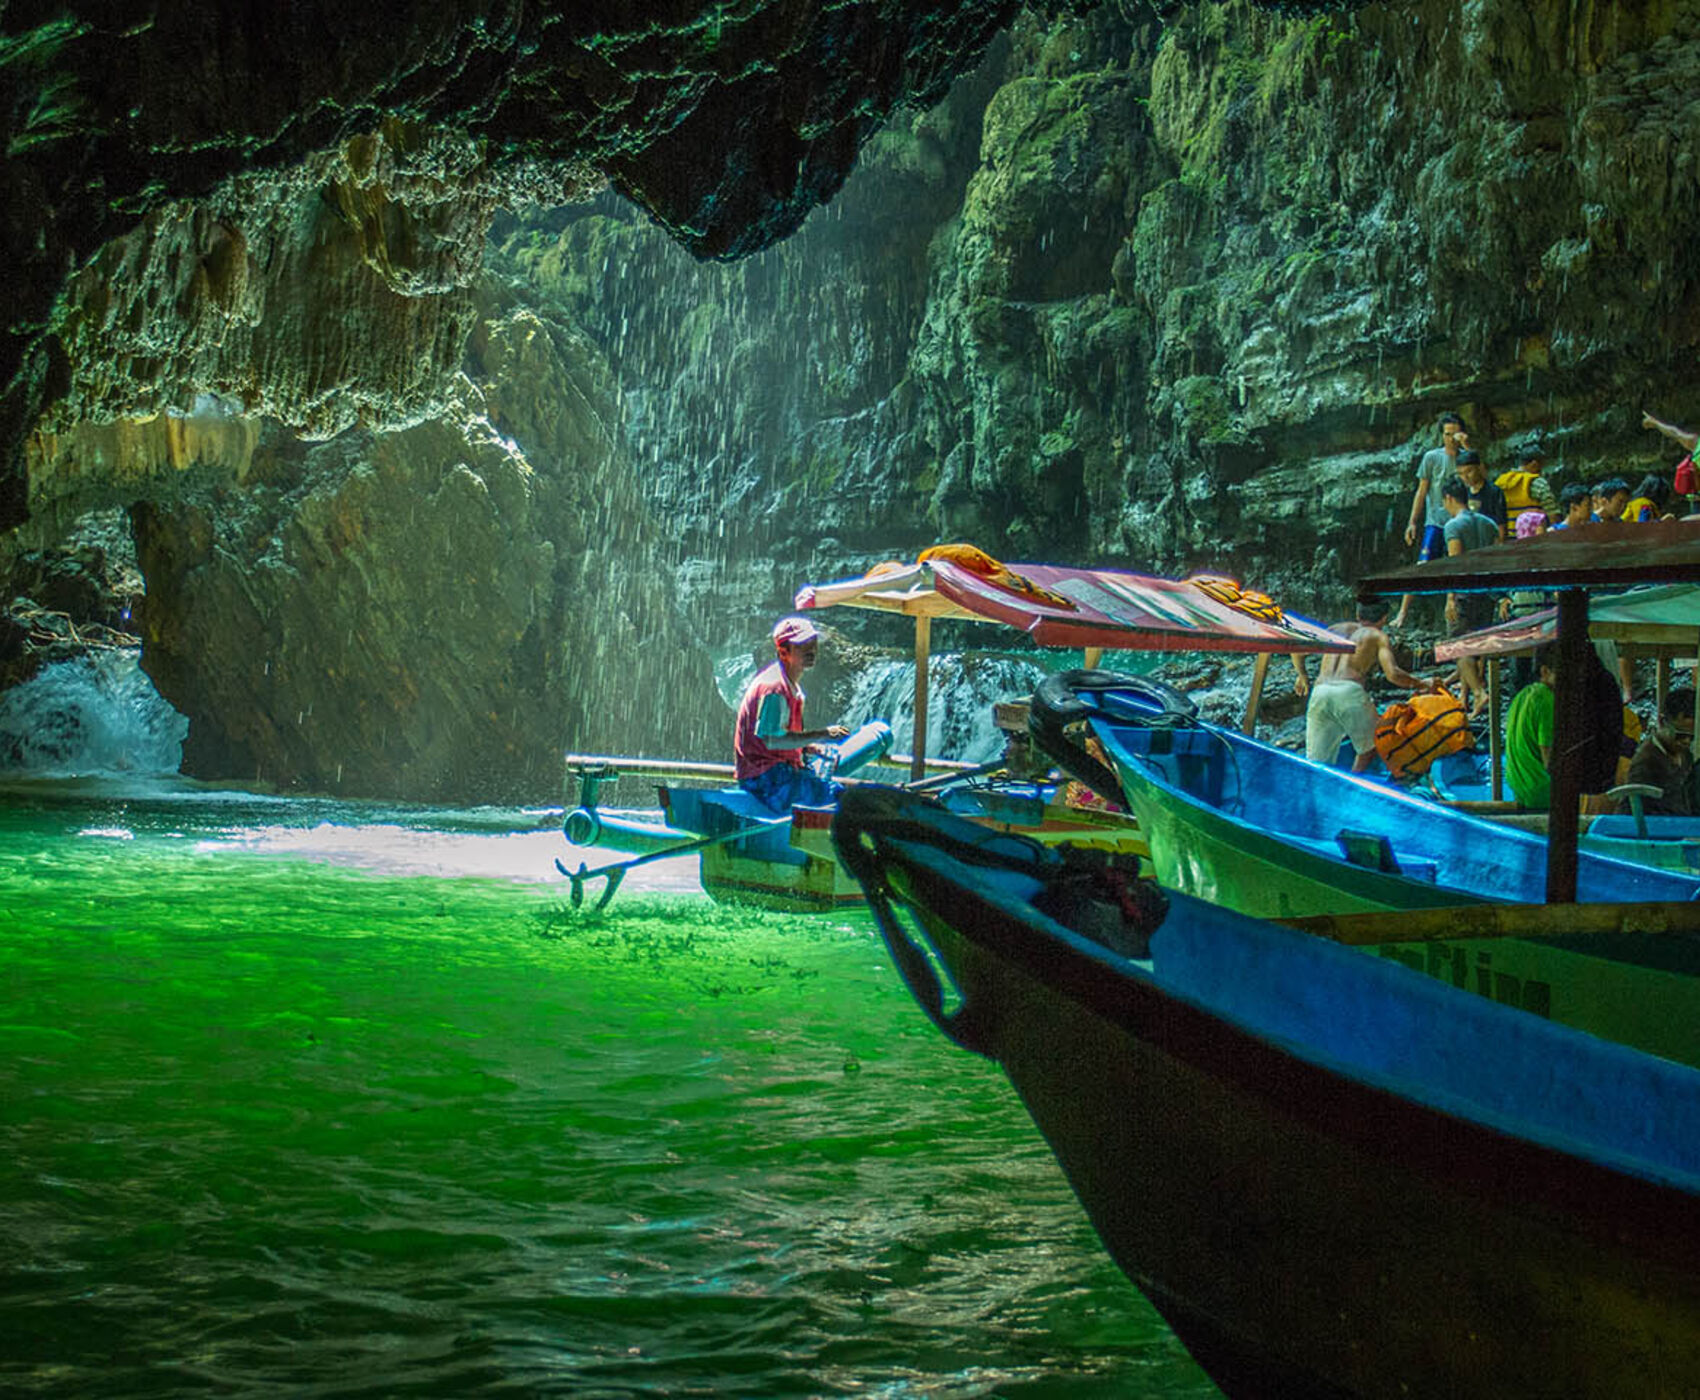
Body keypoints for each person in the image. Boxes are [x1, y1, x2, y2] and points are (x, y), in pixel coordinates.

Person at [1292, 598, 1436, 773]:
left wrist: (1302, 676)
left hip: (1320, 692)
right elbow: (1393, 674)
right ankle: (1354, 788)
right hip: (1348, 692)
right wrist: (1421, 684)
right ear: (1384, 618)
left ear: (1357, 614)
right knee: (1373, 745)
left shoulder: (1335, 629)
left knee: (1317, 762)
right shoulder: (1377, 636)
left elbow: (1297, 649)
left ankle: (1320, 795)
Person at [733, 616, 850, 813]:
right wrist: (823, 733)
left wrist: (811, 748)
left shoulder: (785, 683)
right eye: (802, 645)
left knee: (835, 795)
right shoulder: (774, 689)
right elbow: (772, 740)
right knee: (838, 799)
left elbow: (774, 737)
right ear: (783, 652)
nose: (811, 650)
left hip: (772, 775)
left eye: (812, 643)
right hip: (767, 780)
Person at [1504, 645, 1624, 810]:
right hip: (1544, 793)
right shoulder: (1547, 701)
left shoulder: (1522, 695)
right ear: (1545, 672)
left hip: (1520, 788)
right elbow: (1550, 762)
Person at [1394, 411, 1468, 629]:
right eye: (1447, 434)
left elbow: (1478, 477)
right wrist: (1412, 522)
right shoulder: (1432, 458)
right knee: (1422, 566)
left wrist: (1467, 447)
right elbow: (1421, 490)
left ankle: (1451, 612)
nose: (1451, 439)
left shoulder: (1466, 459)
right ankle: (1402, 613)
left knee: (1455, 567)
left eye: (1455, 434)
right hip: (1435, 521)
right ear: (1441, 435)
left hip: (1459, 523)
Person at [1440, 477, 1499, 715]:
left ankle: (1479, 693)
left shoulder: (1453, 527)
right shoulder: (1490, 525)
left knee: (1459, 646)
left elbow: (1456, 563)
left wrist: (1450, 598)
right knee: (1476, 645)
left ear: (1449, 498)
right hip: (1486, 593)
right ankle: (1465, 700)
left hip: (1464, 594)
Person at [1621, 689, 1695, 816]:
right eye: (1680, 735)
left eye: (1692, 736)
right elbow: (1633, 811)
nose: (1686, 741)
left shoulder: (1685, 755)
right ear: (1662, 721)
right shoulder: (1646, 761)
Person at [1495, 446, 1558, 519]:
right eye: (1542, 464)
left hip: (1507, 529)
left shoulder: (1499, 482)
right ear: (1534, 464)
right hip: (1532, 530)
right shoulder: (1538, 483)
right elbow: (1552, 513)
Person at [1456, 450, 1507, 538]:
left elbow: (1501, 524)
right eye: (1461, 473)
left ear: (1479, 468)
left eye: (1469, 471)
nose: (1465, 477)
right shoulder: (1462, 491)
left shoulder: (1493, 491)